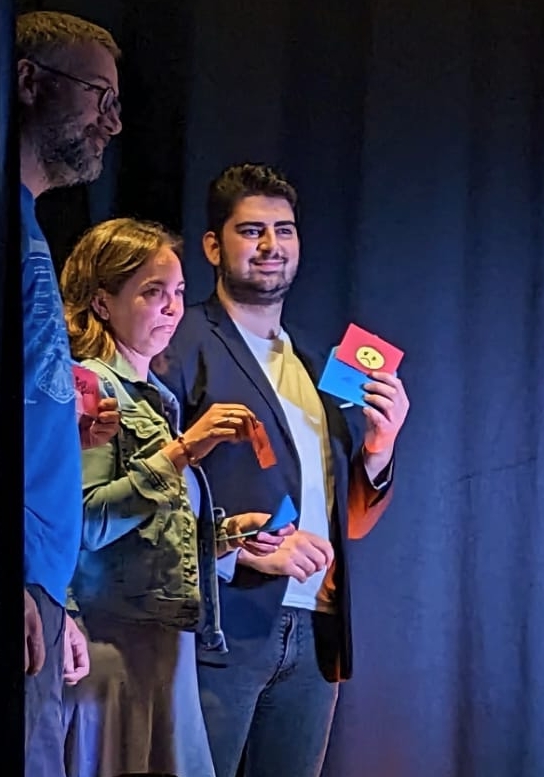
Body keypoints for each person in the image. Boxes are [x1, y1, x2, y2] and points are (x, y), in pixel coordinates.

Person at [155, 163, 410, 777]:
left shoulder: (319, 367)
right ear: (213, 246)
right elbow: (146, 487)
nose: (271, 245)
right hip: (219, 628)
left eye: (284, 230)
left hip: (315, 632)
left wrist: (380, 447)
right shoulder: (180, 342)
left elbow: (350, 521)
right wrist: (234, 550)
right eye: (252, 231)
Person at [57, 217, 292, 777]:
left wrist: (229, 538)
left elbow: (149, 537)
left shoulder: (157, 399)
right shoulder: (88, 387)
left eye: (179, 291)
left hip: (166, 653)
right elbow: (83, 523)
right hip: (115, 650)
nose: (171, 307)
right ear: (102, 303)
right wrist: (184, 451)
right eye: (152, 292)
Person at [16, 11, 123, 775]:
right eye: (98, 96)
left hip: (41, 592)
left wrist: (58, 601)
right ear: (28, 81)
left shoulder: (28, 224)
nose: (111, 123)